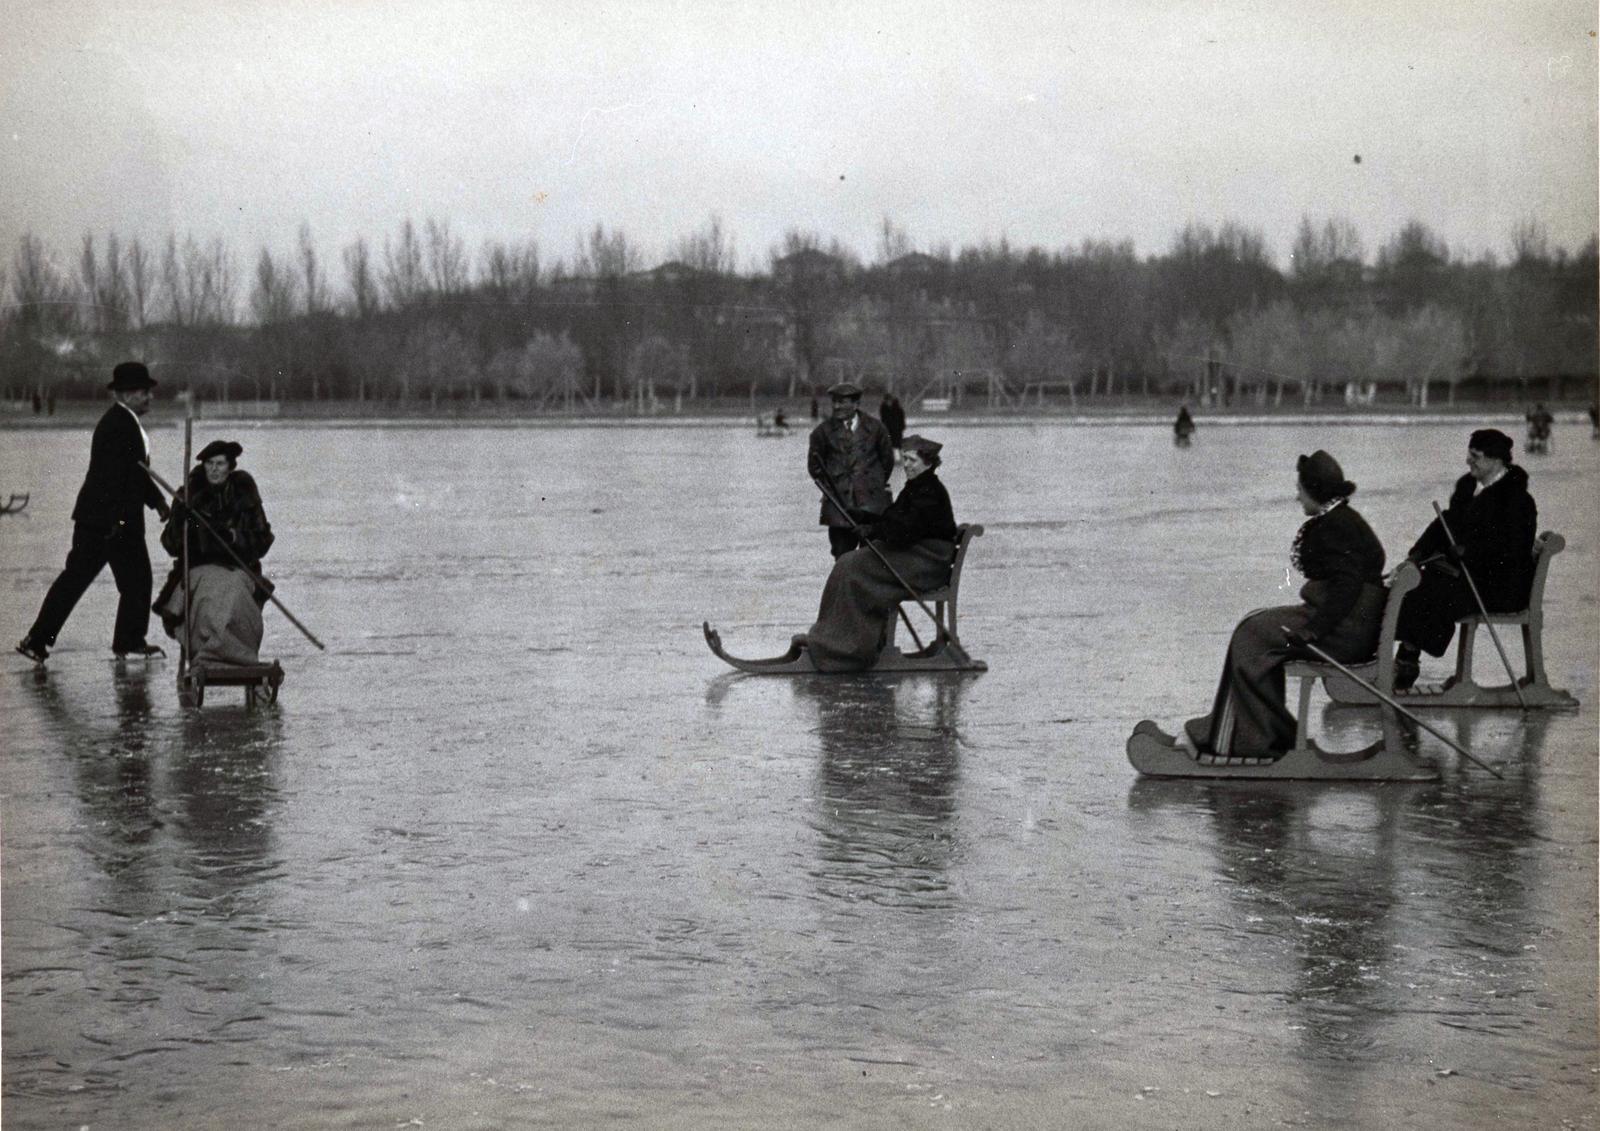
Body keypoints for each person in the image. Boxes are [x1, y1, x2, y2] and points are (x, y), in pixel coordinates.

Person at [1164, 451, 1386, 759]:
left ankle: (1246, 739)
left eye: (1301, 489)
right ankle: (1258, 731)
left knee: (1250, 634)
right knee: (1253, 624)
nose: (1297, 497)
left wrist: (1313, 631)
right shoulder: (1341, 518)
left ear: (1315, 491)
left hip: (1341, 632)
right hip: (1348, 624)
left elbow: (1347, 585)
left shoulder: (1337, 525)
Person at [17, 361, 169, 664]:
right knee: (134, 580)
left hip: (101, 520)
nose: (149, 397)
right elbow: (114, 479)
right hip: (111, 522)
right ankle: (129, 642)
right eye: (143, 392)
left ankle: (37, 640)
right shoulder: (119, 425)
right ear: (125, 395)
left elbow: (136, 473)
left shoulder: (124, 422)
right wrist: (121, 521)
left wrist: (158, 503)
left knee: (84, 579)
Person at [1391, 429, 1537, 690]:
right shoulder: (1473, 490)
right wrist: (1417, 555)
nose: (1469, 461)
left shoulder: (1516, 500)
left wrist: (1469, 553)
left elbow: (1513, 550)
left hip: (1502, 587)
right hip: (1475, 580)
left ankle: (1406, 661)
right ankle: (1406, 658)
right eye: (1469, 455)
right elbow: (1445, 524)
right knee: (1422, 581)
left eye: (1476, 456)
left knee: (1433, 589)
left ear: (1496, 460)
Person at [799, 436, 959, 672]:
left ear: (928, 463)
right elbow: (894, 519)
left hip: (928, 562)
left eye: (912, 460)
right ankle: (830, 640)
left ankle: (849, 650)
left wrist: (872, 530)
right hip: (916, 555)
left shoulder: (930, 492)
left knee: (854, 570)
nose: (906, 464)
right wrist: (865, 517)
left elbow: (904, 529)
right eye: (904, 458)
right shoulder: (916, 486)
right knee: (846, 563)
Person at [153, 440, 275, 666]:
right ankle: (207, 653)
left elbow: (263, 541)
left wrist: (233, 536)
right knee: (208, 597)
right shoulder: (188, 496)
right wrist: (183, 522)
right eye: (209, 463)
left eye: (220, 463)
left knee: (235, 592)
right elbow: (170, 544)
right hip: (198, 568)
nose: (214, 469)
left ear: (230, 467)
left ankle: (238, 655)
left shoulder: (245, 496)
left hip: (238, 567)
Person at [807, 381, 894, 559]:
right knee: (842, 559)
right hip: (839, 508)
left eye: (842, 402)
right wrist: (835, 486)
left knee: (874, 559)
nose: (837, 406)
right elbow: (815, 468)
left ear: (856, 404)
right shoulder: (821, 433)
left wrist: (872, 484)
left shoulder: (877, 428)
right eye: (835, 402)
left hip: (872, 507)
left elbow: (887, 461)